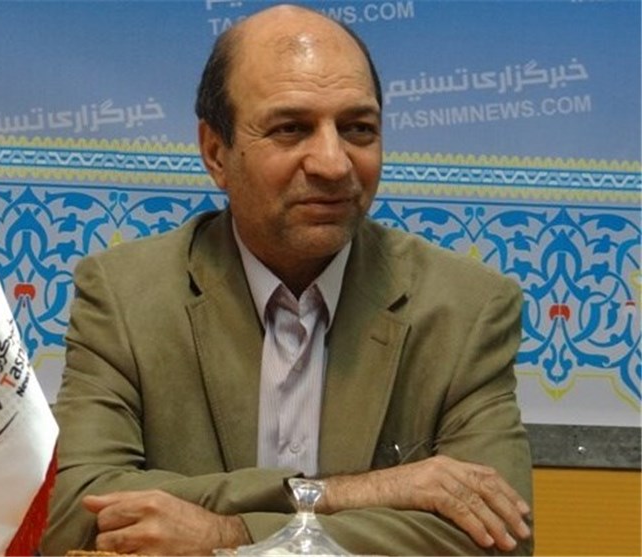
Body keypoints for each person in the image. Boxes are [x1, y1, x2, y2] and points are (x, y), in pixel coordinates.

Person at [41, 4, 533, 555]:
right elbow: (71, 511)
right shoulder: (125, 294)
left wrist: (229, 537)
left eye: (358, 129)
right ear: (215, 152)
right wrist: (345, 493)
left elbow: (499, 541)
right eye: (291, 129)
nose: (333, 163)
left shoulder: (467, 307)